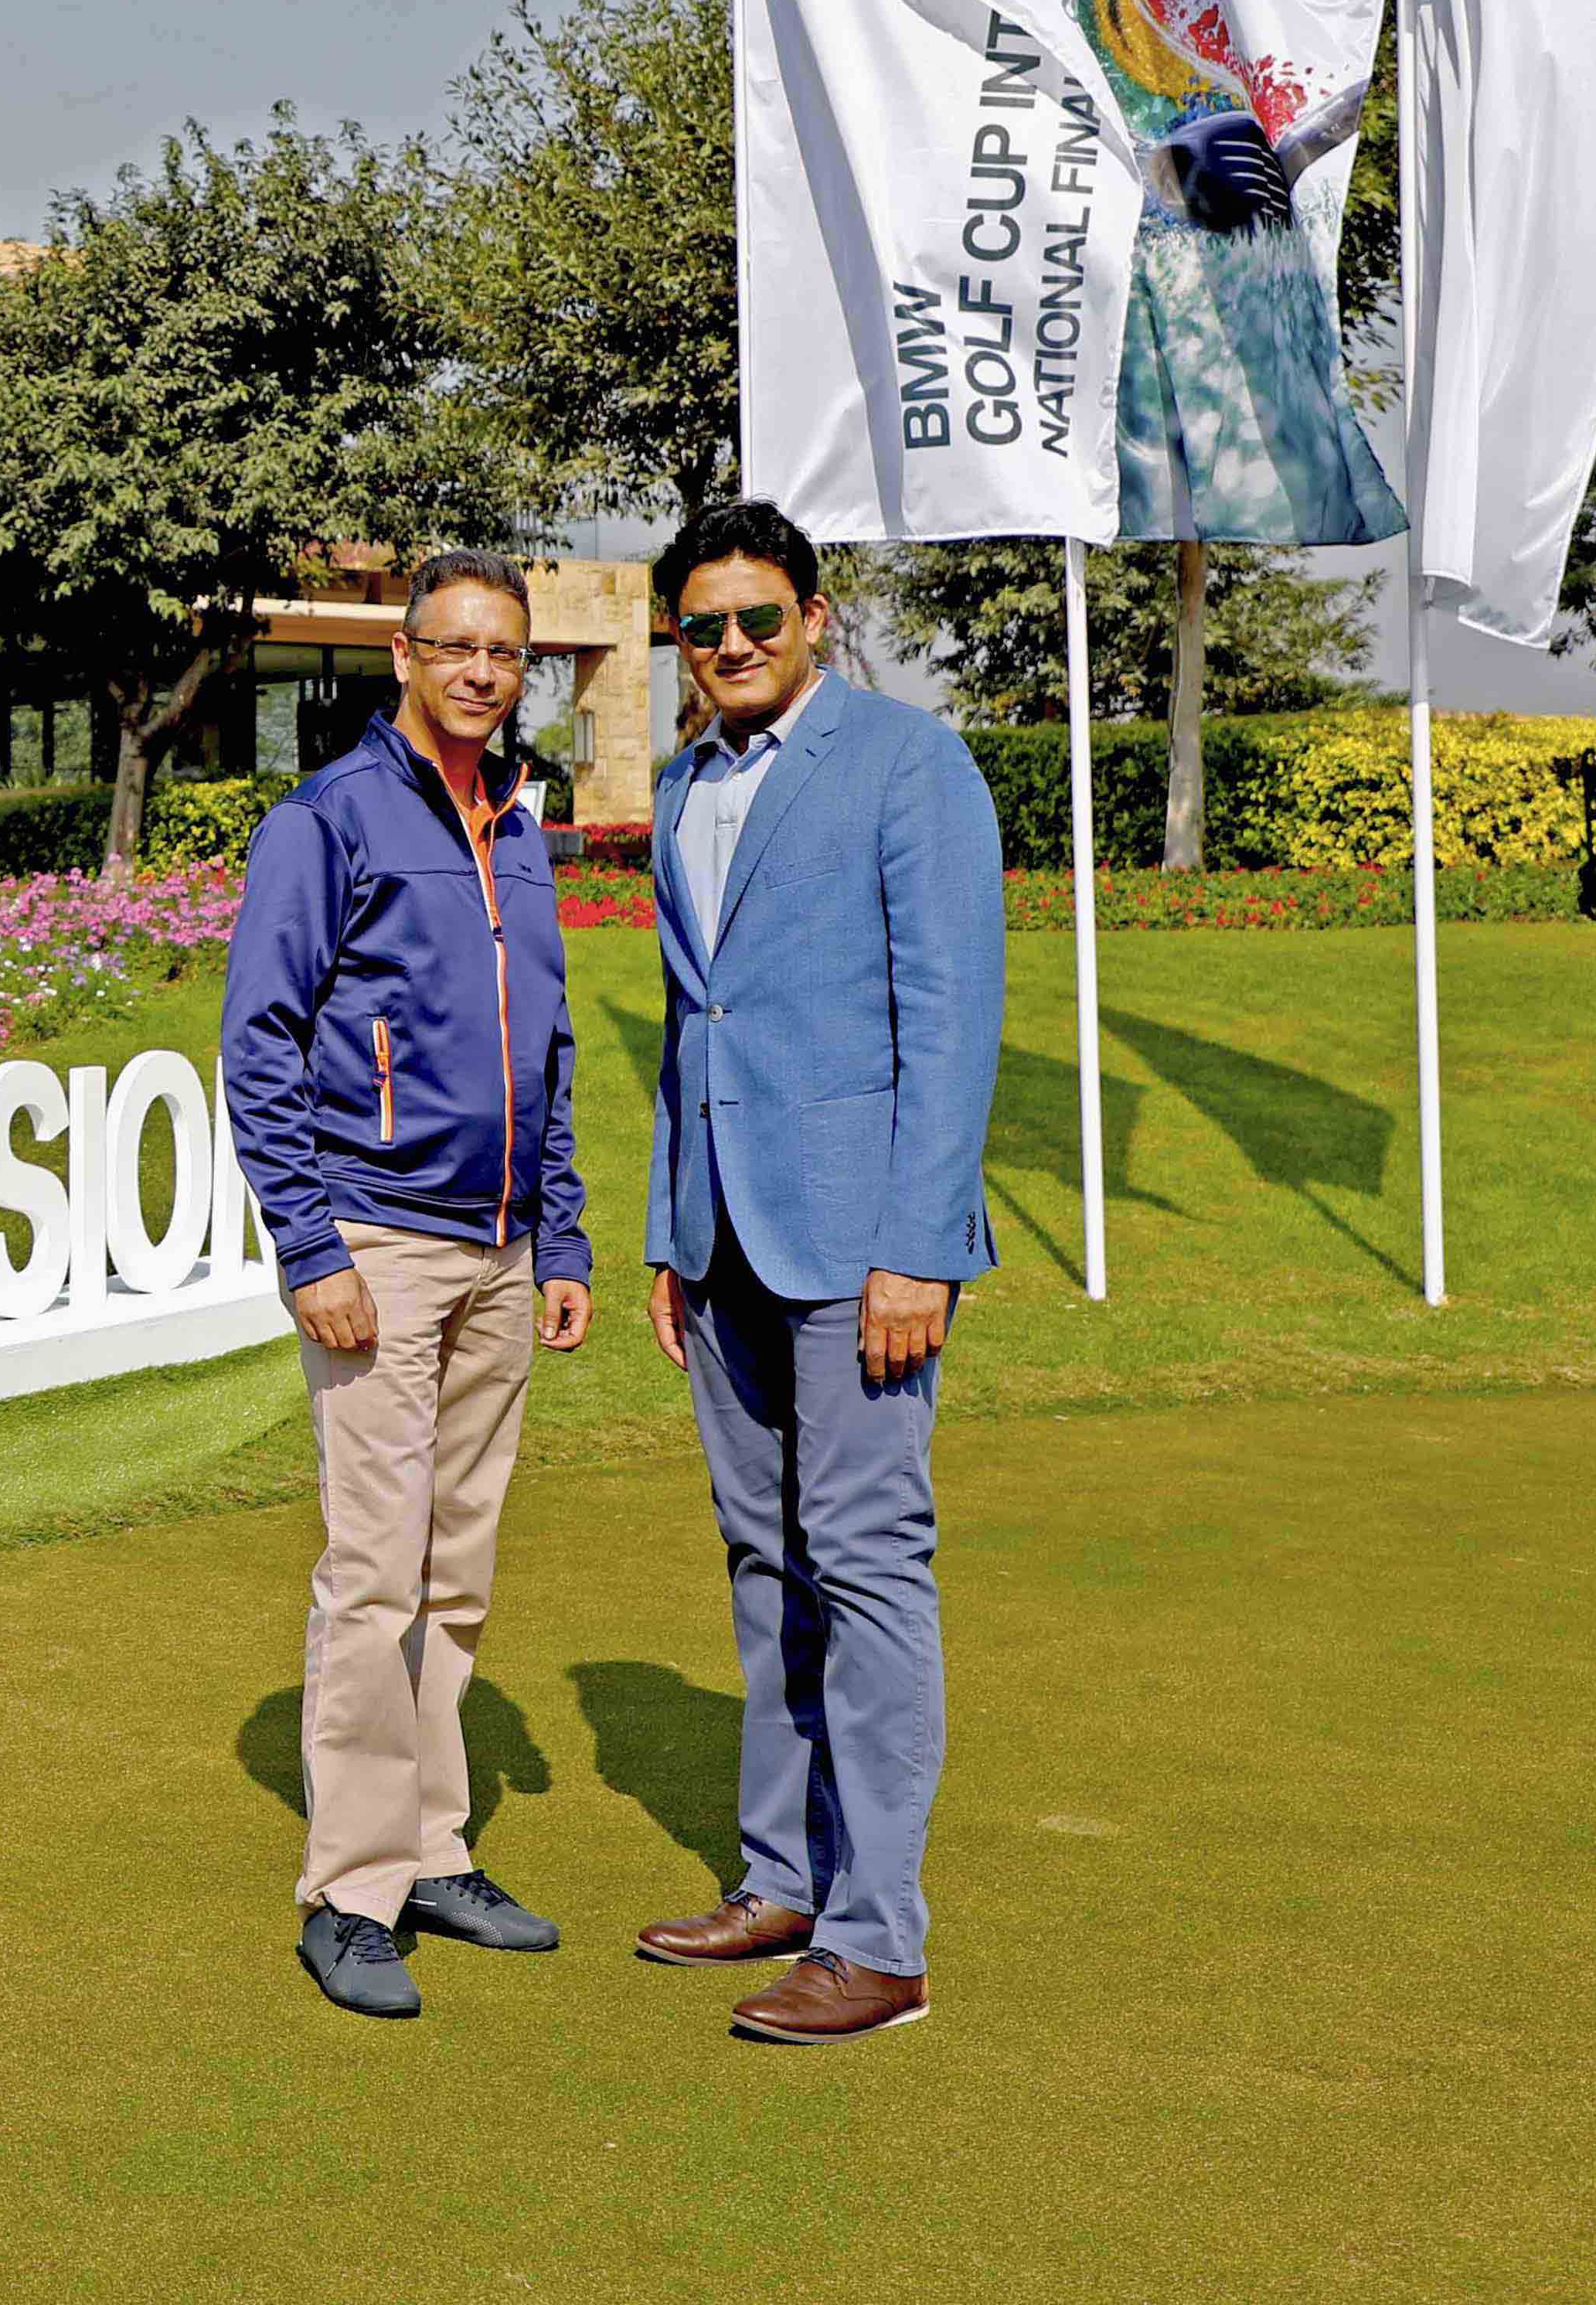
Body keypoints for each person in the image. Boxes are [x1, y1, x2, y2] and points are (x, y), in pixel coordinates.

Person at [628, 501, 1006, 2044]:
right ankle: (782, 1882)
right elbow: (693, 1021)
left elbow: (954, 1017)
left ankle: (879, 1938)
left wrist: (920, 1246)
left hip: (862, 1248)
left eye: (758, 618)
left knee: (864, 1562)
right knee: (763, 1561)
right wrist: (669, 1232)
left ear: (815, 617)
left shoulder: (911, 763)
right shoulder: (680, 782)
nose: (730, 645)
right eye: (703, 626)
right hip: (720, 1238)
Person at [220, 550, 594, 2022]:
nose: (482, 673)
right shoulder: (328, 820)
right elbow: (260, 1039)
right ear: (406, 657)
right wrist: (310, 1248)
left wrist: (561, 1237)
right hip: (379, 1238)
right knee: (376, 1569)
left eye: (505, 653)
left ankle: (435, 1847)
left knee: (458, 1569)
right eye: (455, 647)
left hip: (501, 1249)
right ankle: (354, 1886)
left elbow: (546, 1044)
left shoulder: (520, 828)